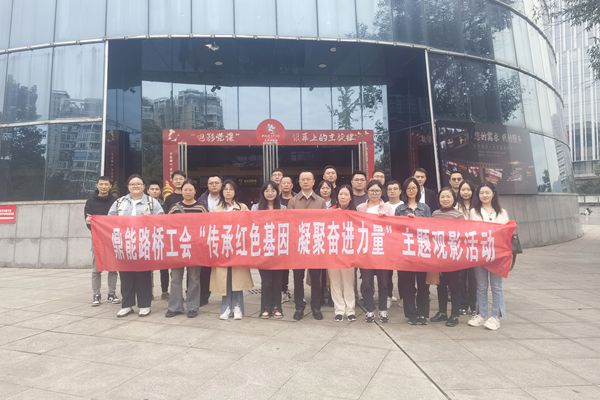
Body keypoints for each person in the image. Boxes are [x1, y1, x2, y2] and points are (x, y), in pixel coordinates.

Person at [109, 174, 164, 317]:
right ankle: (127, 305)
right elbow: (109, 220)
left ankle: (144, 305)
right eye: (132, 184)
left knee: (143, 275)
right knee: (125, 275)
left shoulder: (151, 202)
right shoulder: (119, 202)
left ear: (144, 186)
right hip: (124, 244)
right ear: (128, 187)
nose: (135, 186)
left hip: (144, 244)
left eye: (138, 184)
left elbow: (161, 220)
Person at [468, 182, 509, 331]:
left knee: (496, 286)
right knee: (481, 286)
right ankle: (481, 314)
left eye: (487, 192)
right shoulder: (474, 212)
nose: (484, 195)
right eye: (481, 193)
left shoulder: (502, 212)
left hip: (497, 255)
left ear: (493, 194)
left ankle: (495, 316)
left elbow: (506, 233)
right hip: (480, 254)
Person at [210, 180, 253, 320]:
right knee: (225, 278)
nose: (228, 191)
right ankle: (226, 307)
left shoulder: (242, 207)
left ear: (235, 192)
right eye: (225, 189)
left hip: (238, 248)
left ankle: (237, 306)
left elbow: (249, 225)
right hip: (222, 248)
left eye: (231, 189)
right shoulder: (216, 210)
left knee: (237, 278)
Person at [287, 171, 327, 321]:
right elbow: (290, 222)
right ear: (299, 182)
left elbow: (324, 223)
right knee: (298, 278)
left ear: (313, 182)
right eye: (302, 179)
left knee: (316, 278)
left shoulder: (321, 202)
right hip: (298, 245)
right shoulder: (293, 201)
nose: (305, 181)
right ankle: (299, 307)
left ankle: (316, 307)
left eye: (308, 179)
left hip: (315, 245)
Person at [165, 180, 207, 318]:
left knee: (194, 278)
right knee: (175, 278)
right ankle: (175, 307)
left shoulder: (201, 208)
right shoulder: (174, 208)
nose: (188, 192)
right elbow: (166, 225)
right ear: (181, 192)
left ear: (195, 191)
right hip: (177, 248)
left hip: (195, 249)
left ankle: (192, 307)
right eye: (185, 190)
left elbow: (207, 226)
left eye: (190, 190)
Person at [395, 177, 432, 325]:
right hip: (406, 252)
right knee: (408, 285)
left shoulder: (425, 208)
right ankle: (411, 314)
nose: (411, 191)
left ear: (418, 190)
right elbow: (396, 230)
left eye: (414, 188)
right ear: (404, 191)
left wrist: (417, 221)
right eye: (408, 188)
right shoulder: (400, 209)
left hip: (422, 251)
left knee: (423, 285)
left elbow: (430, 228)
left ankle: (423, 313)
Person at [356, 180, 395, 323]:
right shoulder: (360, 208)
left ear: (381, 192)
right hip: (366, 251)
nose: (374, 193)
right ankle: (369, 310)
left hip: (382, 251)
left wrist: (386, 220)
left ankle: (383, 310)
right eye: (372, 190)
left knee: (383, 283)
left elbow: (394, 228)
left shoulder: (388, 208)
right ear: (367, 192)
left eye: (377, 191)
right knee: (367, 283)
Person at [429, 187, 464, 327]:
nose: (445, 199)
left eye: (448, 197)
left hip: (454, 257)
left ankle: (455, 314)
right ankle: (442, 312)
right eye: (442, 197)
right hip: (439, 256)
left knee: (454, 286)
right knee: (441, 286)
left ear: (453, 199)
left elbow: (462, 235)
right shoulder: (435, 214)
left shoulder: (458, 215)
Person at [252, 181, 285, 319]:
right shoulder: (255, 208)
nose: (270, 193)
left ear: (277, 192)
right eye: (267, 190)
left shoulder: (283, 208)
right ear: (263, 193)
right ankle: (265, 308)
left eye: (273, 190)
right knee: (266, 281)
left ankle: (277, 307)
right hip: (263, 249)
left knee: (277, 281)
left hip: (278, 249)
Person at [85, 176, 119, 306]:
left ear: (110, 186)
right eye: (101, 184)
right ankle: (96, 294)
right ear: (97, 185)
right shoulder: (90, 201)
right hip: (97, 238)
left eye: (106, 184)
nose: (104, 187)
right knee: (96, 269)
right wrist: (91, 224)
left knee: (113, 268)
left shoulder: (116, 201)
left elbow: (118, 219)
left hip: (112, 238)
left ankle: (112, 293)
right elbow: (88, 221)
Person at [329, 184, 357, 321]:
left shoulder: (356, 213)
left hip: (348, 252)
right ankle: (339, 309)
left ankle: (350, 309)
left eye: (346, 194)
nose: (343, 197)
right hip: (333, 251)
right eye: (341, 194)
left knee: (348, 281)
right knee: (335, 281)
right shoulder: (330, 211)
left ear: (350, 197)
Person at [197, 175, 223, 306]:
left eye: (216, 183)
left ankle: (227, 298)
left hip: (223, 238)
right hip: (205, 239)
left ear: (221, 185)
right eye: (211, 183)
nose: (214, 185)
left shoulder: (227, 198)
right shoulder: (200, 201)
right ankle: (203, 296)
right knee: (204, 271)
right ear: (207, 185)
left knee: (223, 269)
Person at [456, 180, 477, 315]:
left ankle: (474, 304)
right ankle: (463, 304)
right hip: (460, 246)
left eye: (468, 190)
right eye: (463, 190)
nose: (466, 192)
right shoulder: (455, 206)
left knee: (474, 277)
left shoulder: (478, 207)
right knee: (461, 277)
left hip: (475, 247)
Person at [147, 180, 169, 300]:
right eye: (152, 189)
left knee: (164, 267)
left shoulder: (164, 204)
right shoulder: (143, 204)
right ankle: (149, 291)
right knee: (148, 267)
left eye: (157, 189)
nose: (154, 191)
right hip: (147, 238)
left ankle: (165, 291)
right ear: (148, 191)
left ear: (160, 191)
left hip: (161, 237)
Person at [316, 180, 336, 306]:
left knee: (332, 269)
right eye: (322, 188)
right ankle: (321, 293)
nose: (325, 190)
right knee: (320, 269)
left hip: (333, 239)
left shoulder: (336, 203)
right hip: (319, 238)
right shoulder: (316, 202)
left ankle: (332, 294)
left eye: (327, 188)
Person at [384, 179, 403, 307]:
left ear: (400, 191)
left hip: (401, 243)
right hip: (387, 243)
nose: (392, 191)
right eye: (390, 189)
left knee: (402, 273)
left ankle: (403, 296)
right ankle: (388, 296)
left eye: (395, 189)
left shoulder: (404, 205)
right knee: (387, 273)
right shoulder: (383, 206)